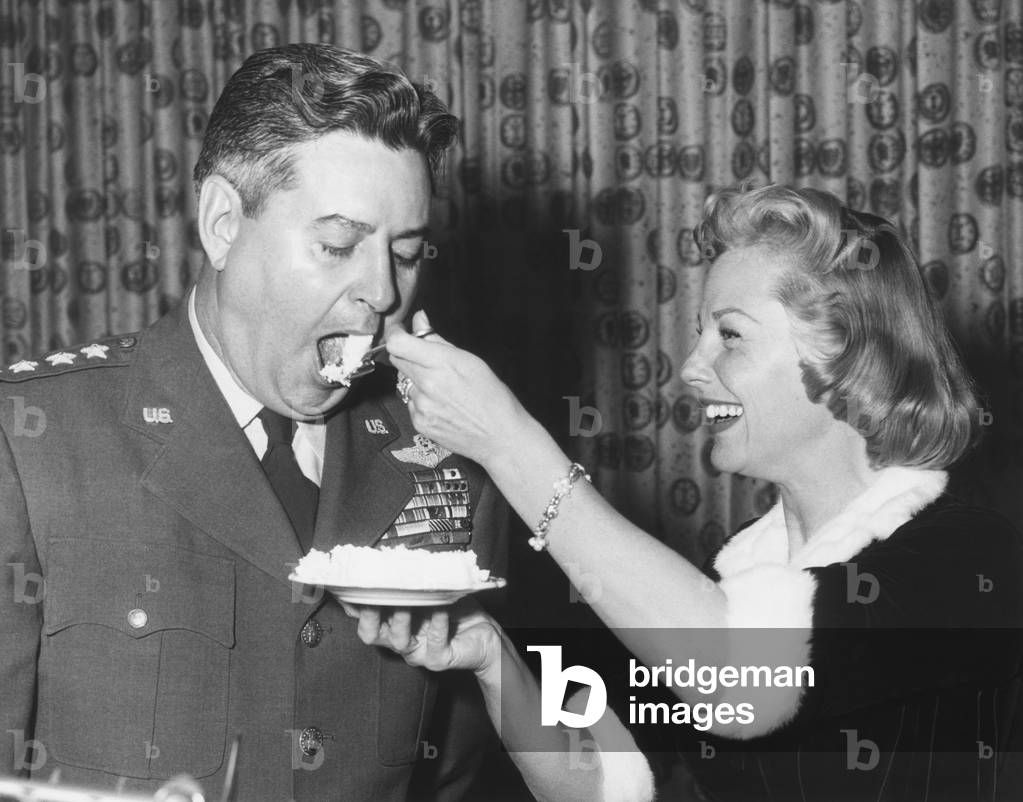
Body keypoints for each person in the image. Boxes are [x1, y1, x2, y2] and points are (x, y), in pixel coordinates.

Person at [356, 184, 1023, 801]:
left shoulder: (969, 558)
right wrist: (489, 654)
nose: (691, 368)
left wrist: (508, 442)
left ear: (845, 355)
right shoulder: (737, 575)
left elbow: (741, 677)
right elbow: (603, 782)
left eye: (729, 334)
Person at [0, 44, 508, 801]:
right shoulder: (32, 439)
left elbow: (460, 779)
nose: (379, 291)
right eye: (338, 245)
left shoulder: (454, 458)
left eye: (404, 253)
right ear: (223, 223)